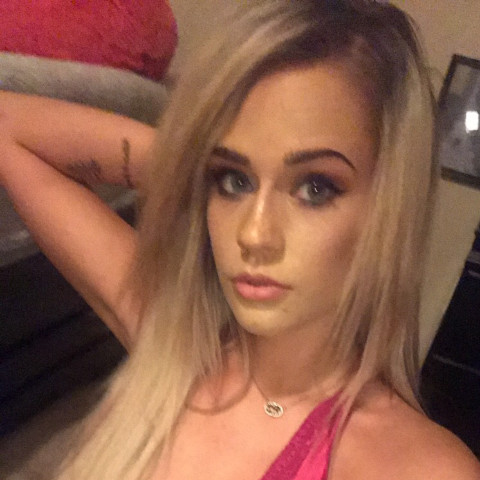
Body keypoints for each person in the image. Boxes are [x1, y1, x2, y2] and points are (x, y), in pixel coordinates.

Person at [0, 1, 479, 479]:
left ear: (389, 208)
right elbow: (9, 127)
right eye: (234, 180)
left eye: (315, 188)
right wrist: (189, 165)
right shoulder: (176, 343)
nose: (254, 234)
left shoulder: (419, 468)